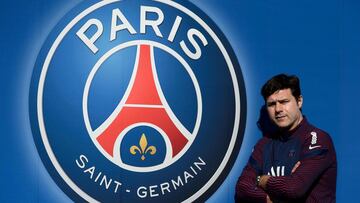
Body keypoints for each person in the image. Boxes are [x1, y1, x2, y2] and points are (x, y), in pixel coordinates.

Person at [235, 74, 337, 203]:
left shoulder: (318, 139)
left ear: (299, 101)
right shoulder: (264, 144)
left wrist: (261, 179)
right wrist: (266, 198)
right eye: (271, 104)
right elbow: (242, 187)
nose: (278, 109)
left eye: (284, 102)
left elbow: (293, 189)